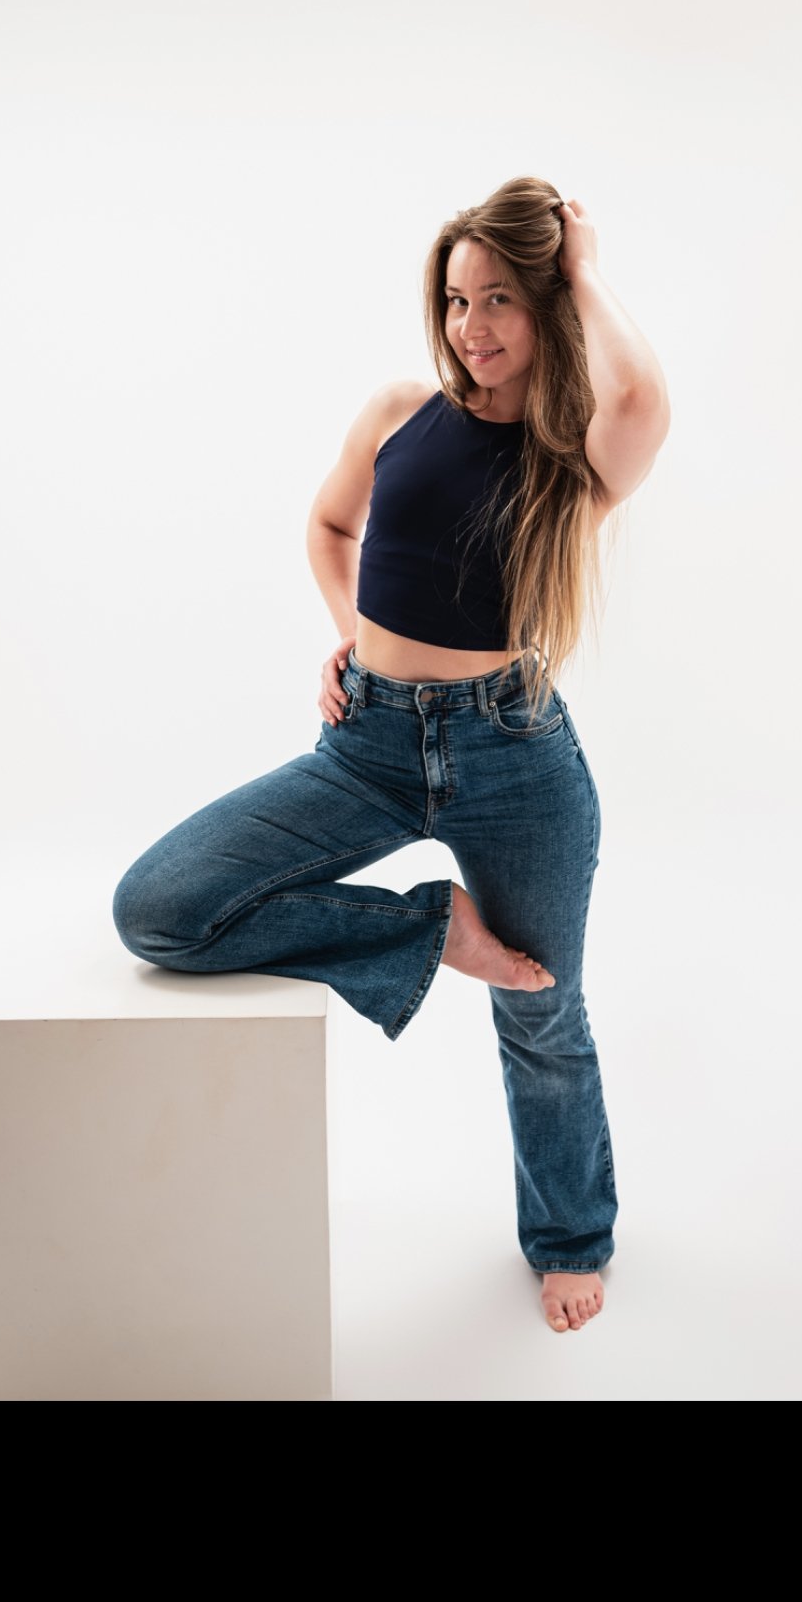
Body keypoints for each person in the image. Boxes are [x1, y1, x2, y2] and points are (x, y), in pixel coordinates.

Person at [112, 177, 670, 1335]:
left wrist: (581, 266)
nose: (472, 326)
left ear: (548, 304)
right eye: (458, 300)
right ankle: (431, 932)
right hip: (363, 745)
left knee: (543, 1010)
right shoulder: (399, 412)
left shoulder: (573, 459)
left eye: (501, 299)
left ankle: (570, 1238)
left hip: (514, 758)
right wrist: (345, 634)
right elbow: (331, 527)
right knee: (159, 910)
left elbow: (641, 395)